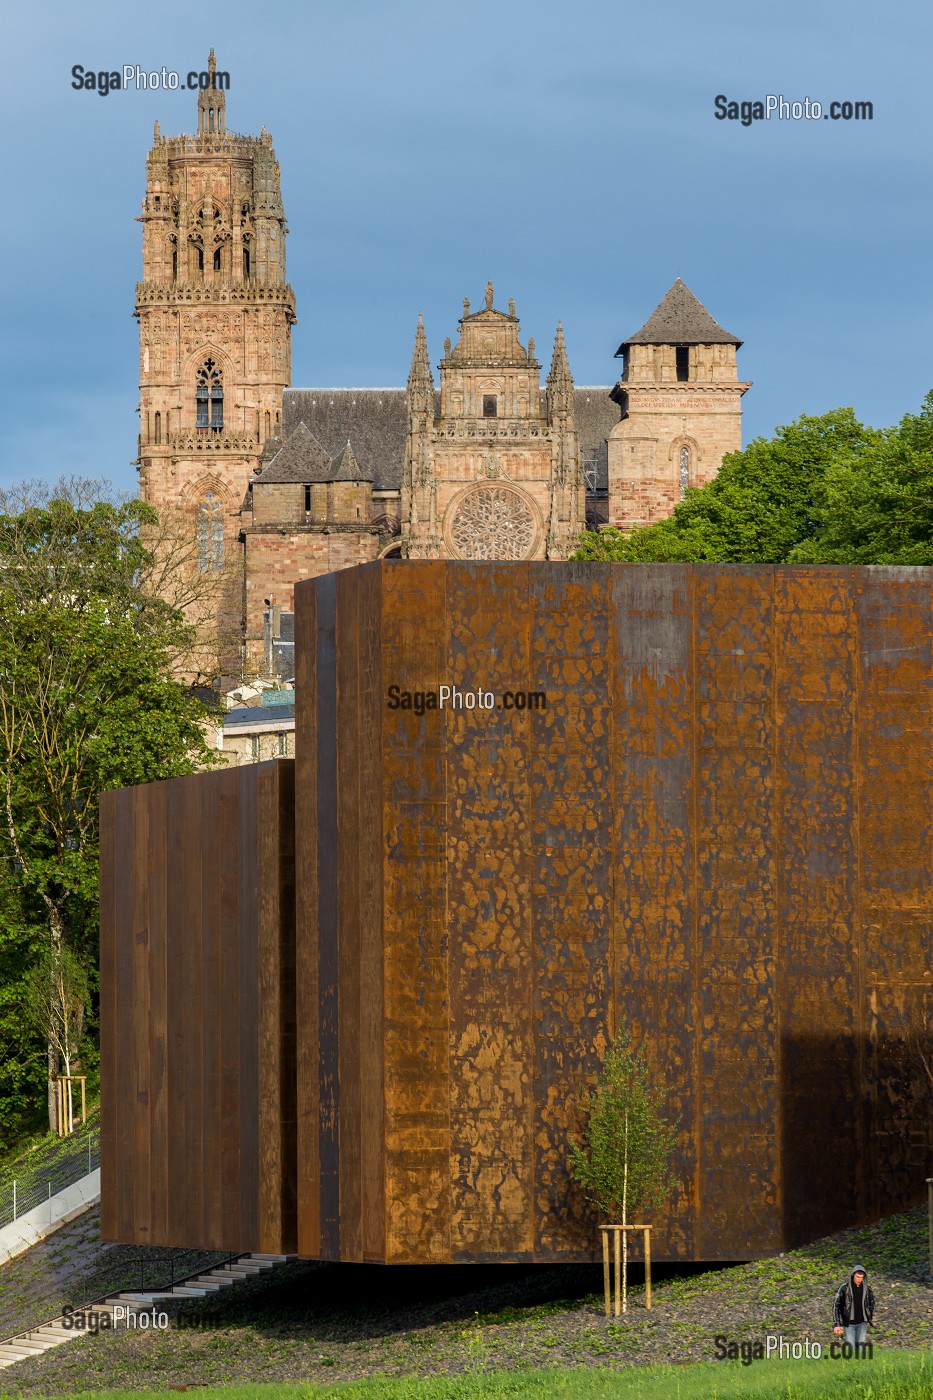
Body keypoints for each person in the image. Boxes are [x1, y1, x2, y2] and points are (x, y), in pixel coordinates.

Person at [833, 1264, 875, 1351]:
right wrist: (837, 1324)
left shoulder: (867, 1289)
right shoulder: (844, 1288)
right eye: (857, 1277)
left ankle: (860, 1364)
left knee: (860, 1350)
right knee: (850, 1350)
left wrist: (869, 1317)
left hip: (862, 1323)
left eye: (861, 1277)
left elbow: (871, 1304)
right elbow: (836, 1306)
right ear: (853, 1275)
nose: (859, 1279)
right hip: (849, 1323)